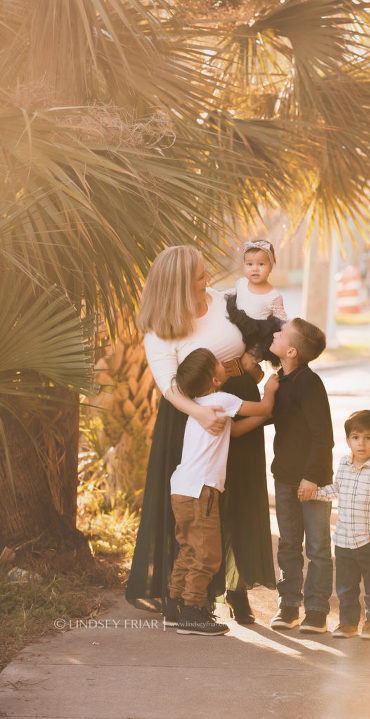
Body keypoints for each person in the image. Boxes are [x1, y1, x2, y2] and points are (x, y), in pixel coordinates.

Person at [126, 246, 276, 625]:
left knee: (239, 495)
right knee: (201, 507)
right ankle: (195, 598)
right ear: (178, 284)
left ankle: (236, 588)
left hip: (237, 397)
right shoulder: (160, 326)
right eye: (199, 276)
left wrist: (252, 362)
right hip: (191, 417)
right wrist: (202, 414)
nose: (207, 280)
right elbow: (169, 385)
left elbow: (261, 328)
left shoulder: (224, 301)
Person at [166, 348, 278, 635]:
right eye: (218, 363)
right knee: (207, 555)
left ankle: (175, 605)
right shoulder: (222, 399)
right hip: (202, 490)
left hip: (181, 488)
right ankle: (192, 612)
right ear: (215, 380)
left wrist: (267, 416)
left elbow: (236, 431)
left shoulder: (202, 405)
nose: (224, 363)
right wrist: (270, 388)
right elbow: (263, 408)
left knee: (189, 550)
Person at [300, 410, 370, 640]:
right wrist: (315, 494)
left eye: (368, 438)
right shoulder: (344, 464)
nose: (361, 443)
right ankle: (348, 623)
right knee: (346, 586)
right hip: (344, 540)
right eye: (356, 437)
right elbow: (336, 489)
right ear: (348, 441)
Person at [267, 318, 334, 633]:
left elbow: (324, 437)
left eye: (281, 334)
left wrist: (311, 477)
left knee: (318, 547)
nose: (275, 334)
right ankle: (288, 606)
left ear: (291, 351)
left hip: (315, 480)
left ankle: (317, 610)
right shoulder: (281, 380)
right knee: (288, 545)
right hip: (285, 478)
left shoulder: (309, 383)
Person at [226, 240, 288, 373]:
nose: (255, 268)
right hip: (236, 325)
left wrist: (288, 335)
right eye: (249, 264)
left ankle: (253, 376)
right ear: (244, 266)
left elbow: (282, 321)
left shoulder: (273, 296)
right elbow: (230, 295)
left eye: (261, 264)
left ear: (271, 267)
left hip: (257, 336)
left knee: (246, 364)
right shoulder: (241, 283)